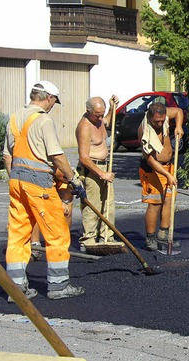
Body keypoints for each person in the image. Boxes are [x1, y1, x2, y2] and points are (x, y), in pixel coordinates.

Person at [2, 81, 86, 301]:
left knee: (19, 234)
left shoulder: (14, 118)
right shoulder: (43, 120)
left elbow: (7, 156)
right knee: (57, 232)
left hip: (16, 182)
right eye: (54, 102)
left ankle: (16, 289)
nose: (53, 106)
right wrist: (73, 180)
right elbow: (57, 156)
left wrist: (15, 177)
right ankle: (58, 287)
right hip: (39, 184)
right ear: (48, 98)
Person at [137, 102, 184, 254]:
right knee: (155, 203)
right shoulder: (144, 130)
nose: (159, 123)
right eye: (156, 120)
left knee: (169, 200)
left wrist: (178, 126)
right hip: (153, 169)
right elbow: (150, 159)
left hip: (169, 166)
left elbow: (178, 111)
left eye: (162, 120)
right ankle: (150, 238)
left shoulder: (164, 117)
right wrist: (167, 175)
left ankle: (163, 234)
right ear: (150, 116)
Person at [76, 96, 119, 251]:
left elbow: (108, 120)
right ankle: (88, 239)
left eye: (102, 114)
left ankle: (107, 236)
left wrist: (112, 107)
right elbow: (84, 157)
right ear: (88, 111)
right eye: (97, 115)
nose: (100, 118)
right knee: (92, 206)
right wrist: (102, 173)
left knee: (108, 204)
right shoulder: (85, 126)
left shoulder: (99, 120)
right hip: (91, 170)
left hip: (104, 168)